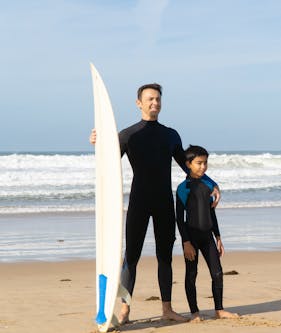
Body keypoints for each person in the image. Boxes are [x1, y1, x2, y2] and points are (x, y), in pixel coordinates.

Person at [89, 83, 220, 324]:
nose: (155, 103)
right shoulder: (128, 135)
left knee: (165, 257)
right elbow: (106, 163)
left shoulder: (170, 135)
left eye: (158, 99)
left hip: (163, 203)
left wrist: (212, 184)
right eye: (150, 99)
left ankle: (167, 309)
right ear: (139, 103)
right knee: (132, 256)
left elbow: (189, 167)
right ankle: (125, 310)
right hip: (139, 201)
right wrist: (98, 144)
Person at [176, 145, 239, 321]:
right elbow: (179, 218)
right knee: (191, 274)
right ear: (188, 164)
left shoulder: (208, 185)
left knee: (217, 272)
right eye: (199, 163)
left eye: (205, 163)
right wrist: (186, 242)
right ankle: (194, 312)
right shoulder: (183, 188)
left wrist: (218, 237)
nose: (203, 167)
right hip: (191, 238)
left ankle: (219, 310)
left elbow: (211, 212)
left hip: (207, 237)